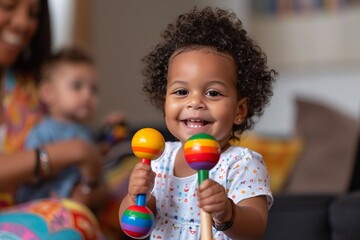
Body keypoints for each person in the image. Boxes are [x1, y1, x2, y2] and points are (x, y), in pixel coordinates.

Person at [119, 6, 276, 240]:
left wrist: (227, 212)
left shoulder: (242, 164)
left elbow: (255, 228)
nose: (195, 102)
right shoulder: (159, 159)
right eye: (181, 91)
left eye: (213, 93)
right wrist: (134, 196)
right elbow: (133, 226)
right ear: (164, 102)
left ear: (239, 111)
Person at [0, 0, 104, 239]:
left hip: (33, 206)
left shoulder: (26, 86)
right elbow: (73, 150)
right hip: (37, 209)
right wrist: (68, 152)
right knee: (68, 221)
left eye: (33, 13)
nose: (23, 22)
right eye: (8, 6)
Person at [15, 47, 118, 208]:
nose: (87, 95)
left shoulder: (86, 133)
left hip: (83, 202)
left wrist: (110, 134)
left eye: (94, 89)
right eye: (77, 86)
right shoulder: (43, 130)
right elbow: (30, 173)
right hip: (45, 204)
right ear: (47, 93)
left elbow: (97, 167)